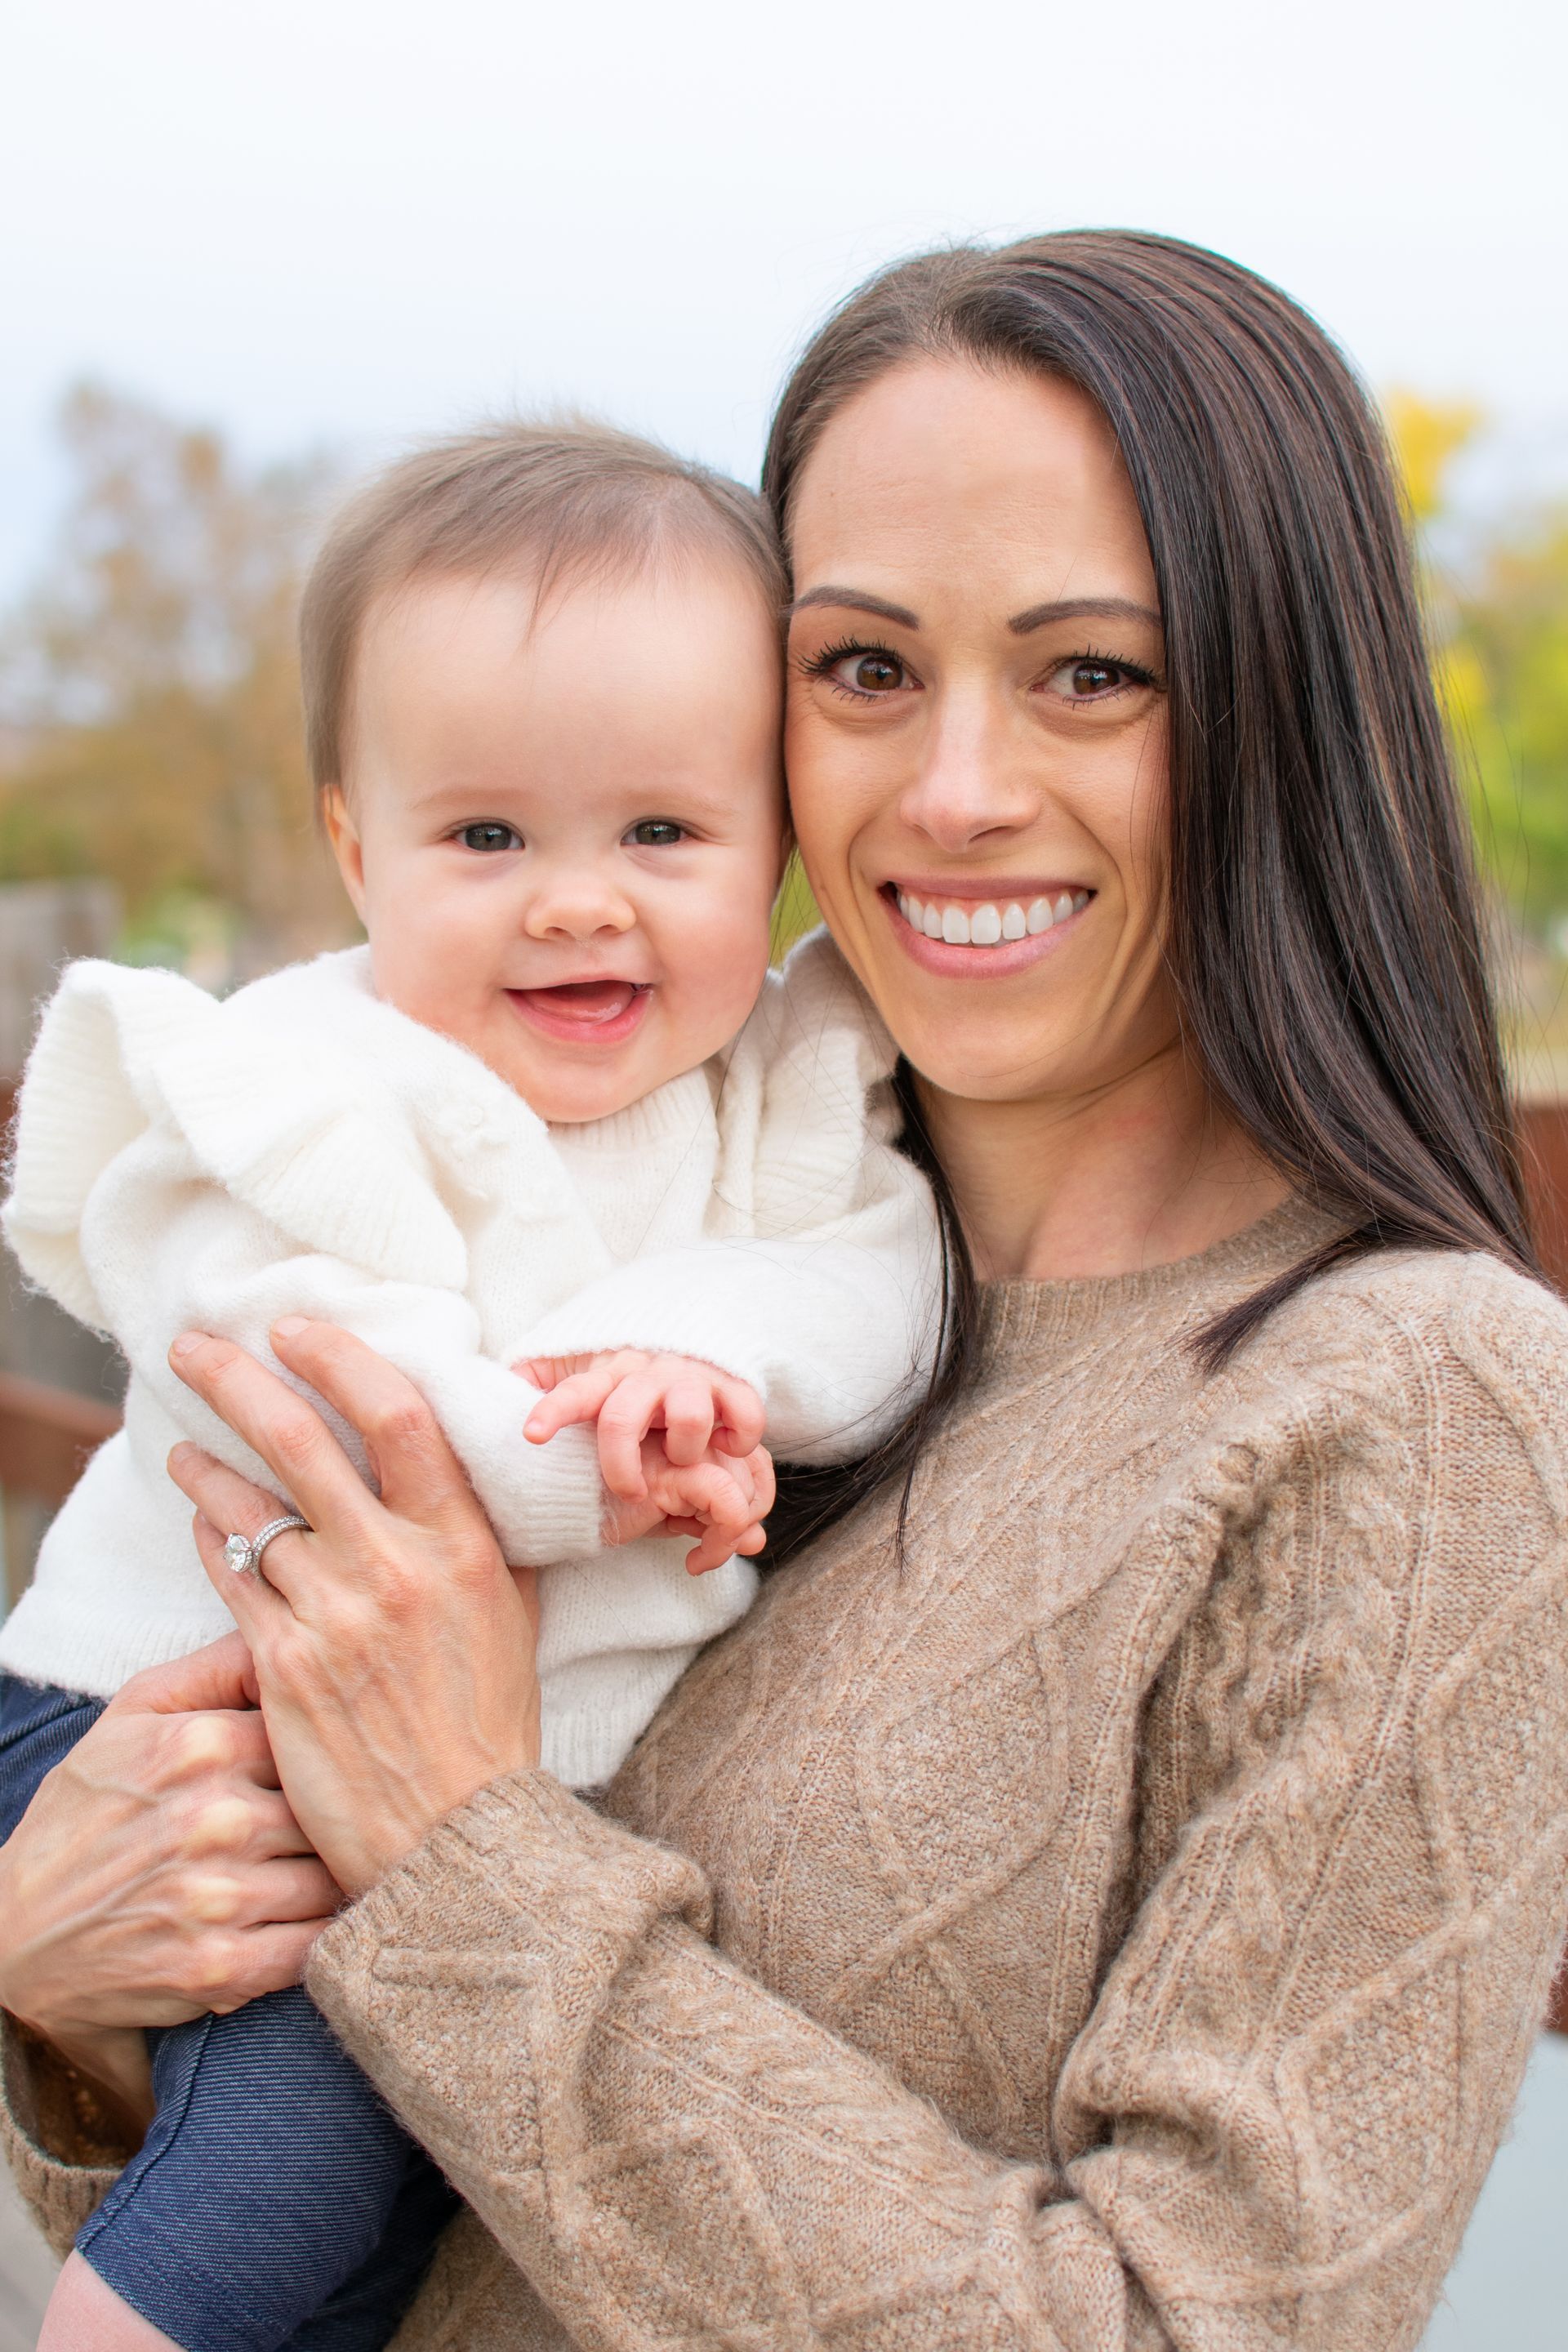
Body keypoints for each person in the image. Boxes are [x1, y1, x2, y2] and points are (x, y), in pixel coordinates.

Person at [6, 229, 1568, 2352]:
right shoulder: (647, 1200)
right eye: (864, 669)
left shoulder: (1421, 1408)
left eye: (1092, 674)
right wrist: (64, 1989)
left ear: (1283, 710)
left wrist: (457, 1851)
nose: (954, 791)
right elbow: (330, 2210)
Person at [0, 422, 939, 2350]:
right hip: (150, 1715)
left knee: (368, 2240)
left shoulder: (775, 1091)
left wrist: (709, 1357)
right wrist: (591, 1457)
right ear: (359, 848)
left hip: (427, 1784)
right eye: (488, 839)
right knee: (302, 2147)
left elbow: (876, 1286)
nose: (577, 901)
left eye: (662, 833)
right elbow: (310, 1375)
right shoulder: (297, 1084)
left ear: (775, 845)